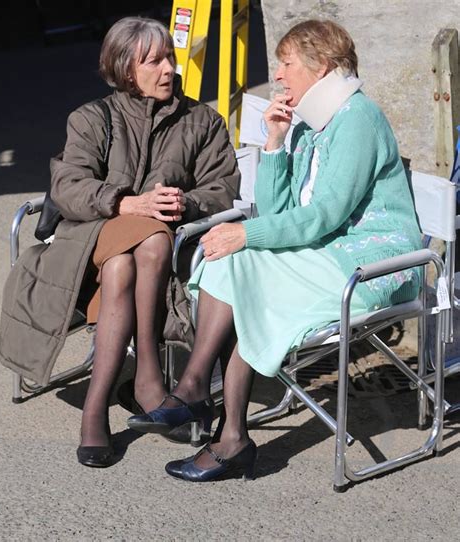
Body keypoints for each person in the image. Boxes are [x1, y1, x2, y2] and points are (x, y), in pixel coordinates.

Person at [127, 19, 423, 482]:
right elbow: (274, 210)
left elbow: (326, 214)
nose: (278, 75)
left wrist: (248, 235)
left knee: (243, 262)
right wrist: (275, 143)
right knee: (231, 262)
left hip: (371, 264)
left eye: (286, 64)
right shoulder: (310, 123)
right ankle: (217, 416)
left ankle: (207, 408)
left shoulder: (358, 119)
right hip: (327, 255)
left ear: (322, 66)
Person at [0, 17, 239, 468]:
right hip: (85, 246)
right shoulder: (93, 118)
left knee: (131, 259)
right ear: (127, 69)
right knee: (139, 244)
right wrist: (126, 203)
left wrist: (182, 203)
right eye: (155, 61)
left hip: (150, 256)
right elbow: (67, 185)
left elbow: (222, 187)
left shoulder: (202, 121)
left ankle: (96, 407)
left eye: (170, 56)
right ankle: (147, 378)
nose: (169, 68)